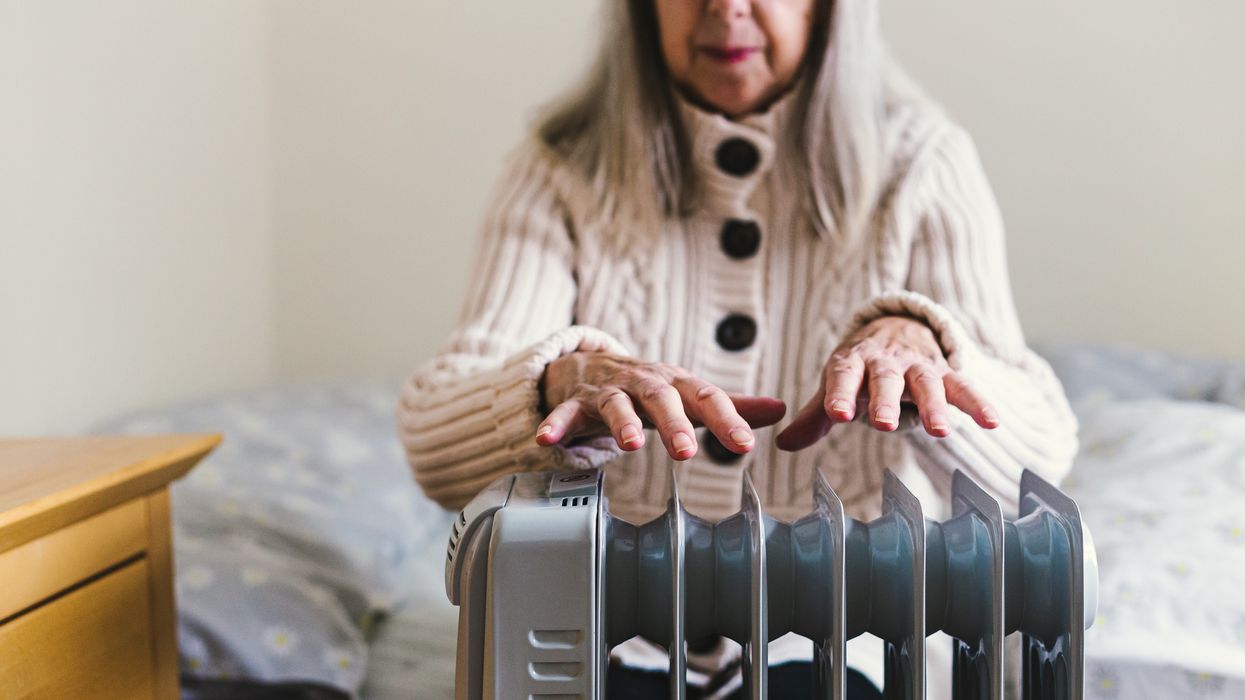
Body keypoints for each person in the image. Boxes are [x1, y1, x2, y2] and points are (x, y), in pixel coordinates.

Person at [396, 0, 1078, 697]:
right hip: (597, 642)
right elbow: (432, 448)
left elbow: (1039, 461)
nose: (726, 8)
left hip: (854, 647)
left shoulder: (924, 163)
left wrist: (926, 347)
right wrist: (552, 385)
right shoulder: (558, 168)